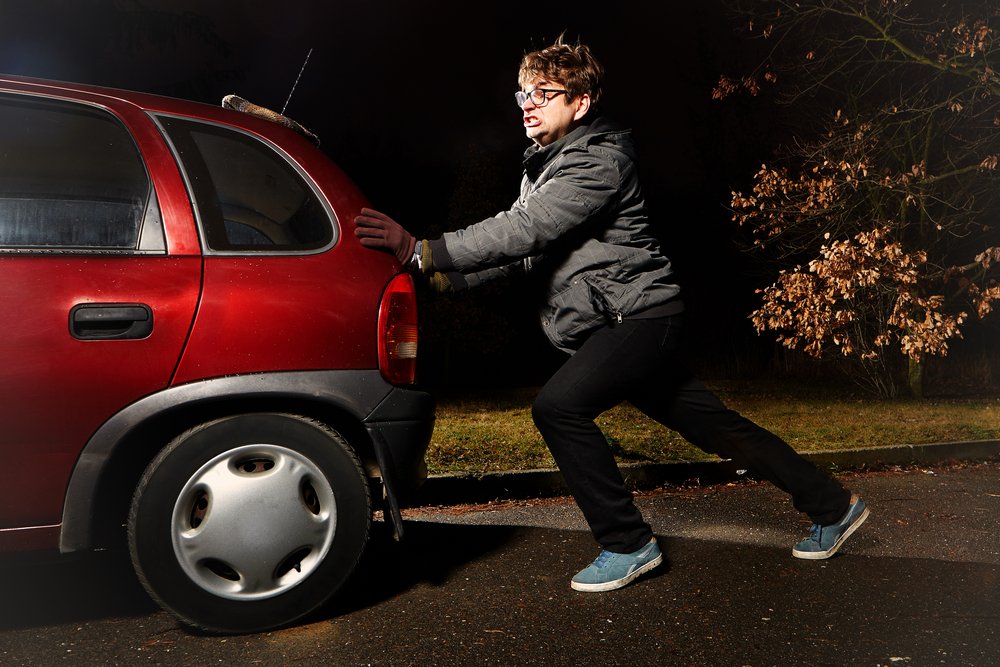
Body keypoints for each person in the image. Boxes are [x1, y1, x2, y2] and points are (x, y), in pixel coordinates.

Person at [354, 36, 869, 593]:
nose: (527, 103)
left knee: (559, 407)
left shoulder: (597, 160)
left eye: (545, 93)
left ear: (581, 103)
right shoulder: (545, 169)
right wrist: (434, 277)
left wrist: (425, 248)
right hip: (622, 325)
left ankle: (627, 543)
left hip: (642, 318)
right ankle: (833, 506)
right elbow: (527, 254)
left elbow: (526, 229)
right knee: (719, 429)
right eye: (522, 92)